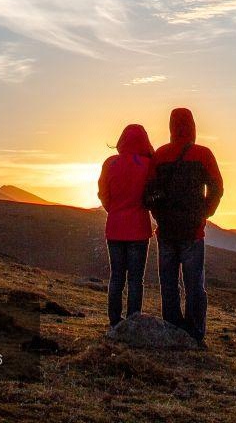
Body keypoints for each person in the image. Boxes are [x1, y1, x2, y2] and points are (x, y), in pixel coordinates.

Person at [144, 107, 223, 345]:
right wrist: (205, 212)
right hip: (193, 230)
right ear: (193, 126)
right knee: (194, 285)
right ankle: (195, 334)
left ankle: (171, 330)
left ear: (170, 127)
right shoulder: (203, 154)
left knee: (169, 284)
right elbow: (217, 187)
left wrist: (159, 215)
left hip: (167, 230)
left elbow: (150, 191)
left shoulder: (160, 155)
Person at [98, 123, 154, 328]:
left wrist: (113, 210)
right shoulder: (148, 164)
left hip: (114, 227)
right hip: (139, 228)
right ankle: (133, 322)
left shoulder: (110, 163)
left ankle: (114, 321)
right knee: (135, 280)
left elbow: (103, 193)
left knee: (116, 277)